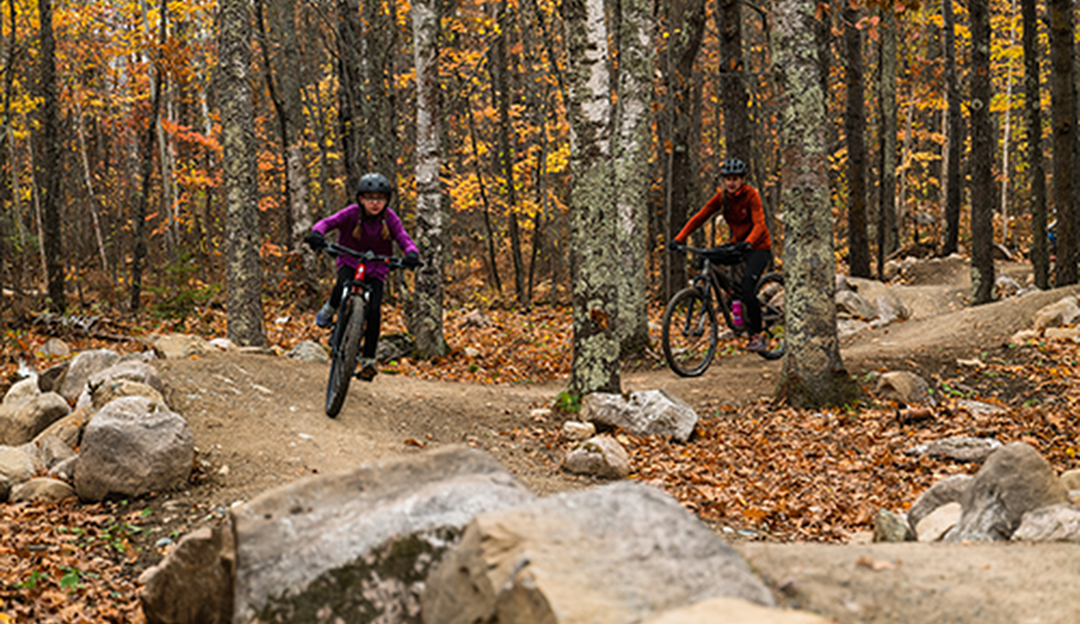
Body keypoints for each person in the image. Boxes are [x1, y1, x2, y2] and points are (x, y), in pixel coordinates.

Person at [304, 172, 420, 381]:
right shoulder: (351, 213)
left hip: (377, 268)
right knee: (341, 284)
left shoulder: (390, 218)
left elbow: (403, 238)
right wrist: (317, 234)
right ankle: (331, 308)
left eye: (380, 198)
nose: (375, 203)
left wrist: (411, 253)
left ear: (386, 200)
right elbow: (327, 223)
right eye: (369, 198)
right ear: (360, 199)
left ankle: (368, 359)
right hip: (350, 260)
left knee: (375, 310)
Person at [669, 158, 774, 352]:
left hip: (758, 247)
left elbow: (760, 223)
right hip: (739, 244)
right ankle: (730, 293)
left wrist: (749, 242)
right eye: (727, 179)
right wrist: (679, 238)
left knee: (749, 288)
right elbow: (700, 217)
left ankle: (757, 336)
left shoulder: (752, 196)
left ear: (742, 179)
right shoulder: (722, 197)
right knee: (705, 258)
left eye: (735, 178)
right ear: (723, 181)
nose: (731, 183)